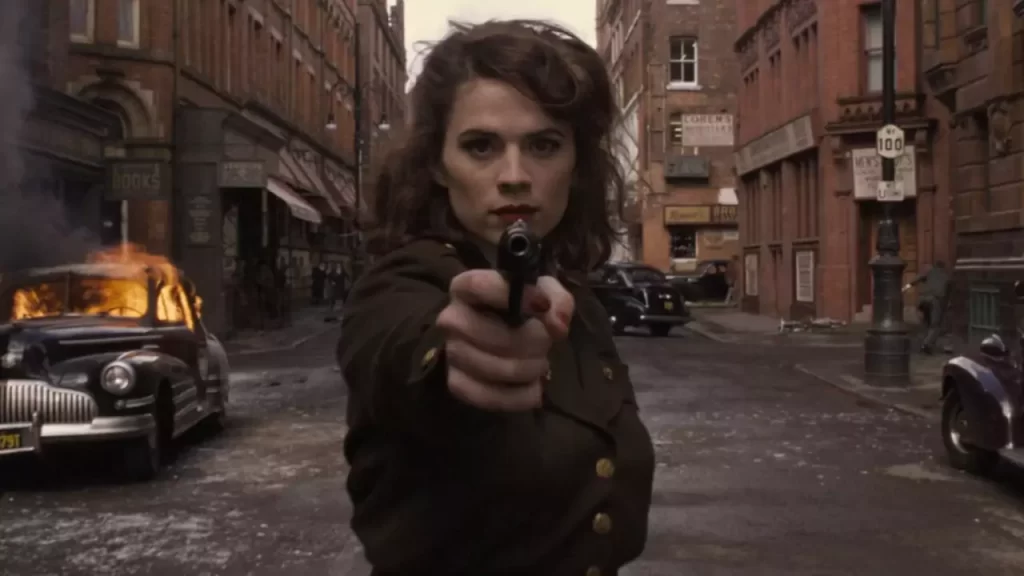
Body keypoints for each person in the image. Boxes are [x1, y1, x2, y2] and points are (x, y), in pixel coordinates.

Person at [336, 20, 655, 575]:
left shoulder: (576, 299)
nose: (514, 176)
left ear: (577, 163)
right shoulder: (401, 285)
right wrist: (448, 356)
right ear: (437, 164)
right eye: (480, 146)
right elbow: (398, 347)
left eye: (544, 145)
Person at [903, 260, 950, 354]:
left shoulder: (929, 272)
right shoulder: (947, 277)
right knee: (935, 325)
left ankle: (926, 341)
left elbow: (915, 280)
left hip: (923, 300)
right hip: (935, 301)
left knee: (927, 322)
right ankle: (926, 344)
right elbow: (946, 295)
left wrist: (904, 288)